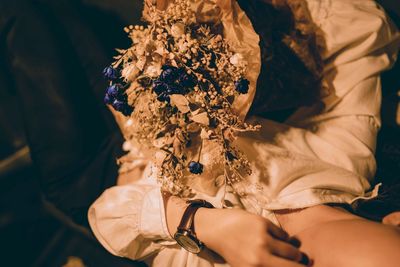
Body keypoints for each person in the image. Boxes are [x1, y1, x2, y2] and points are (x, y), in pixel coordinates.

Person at [88, 0, 400, 266]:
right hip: (161, 107)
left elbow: (108, 213)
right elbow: (353, 48)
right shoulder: (340, 161)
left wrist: (196, 223)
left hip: (119, 162)